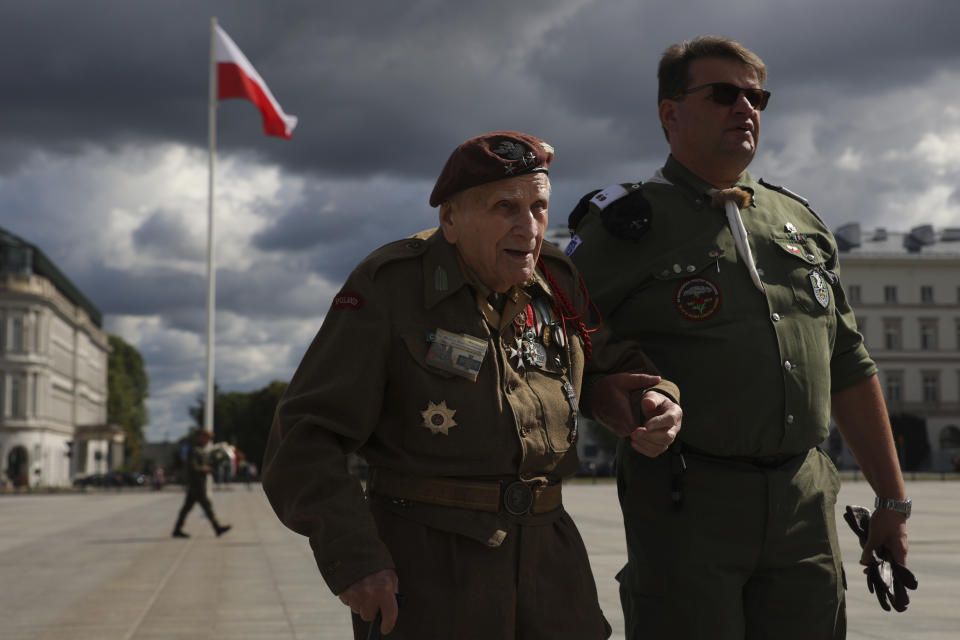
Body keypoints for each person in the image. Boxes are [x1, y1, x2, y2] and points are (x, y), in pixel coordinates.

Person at [261, 131, 682, 639]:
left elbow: (608, 364)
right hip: (433, 573)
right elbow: (305, 435)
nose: (529, 227)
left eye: (539, 205)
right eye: (506, 206)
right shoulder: (391, 285)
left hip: (551, 569)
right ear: (451, 220)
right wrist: (354, 557)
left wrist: (651, 399)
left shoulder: (556, 281)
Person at [567, 36, 911, 639]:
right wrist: (611, 397)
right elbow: (564, 336)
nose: (745, 108)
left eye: (757, 97)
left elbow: (848, 362)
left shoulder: (797, 221)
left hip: (805, 500)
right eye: (724, 94)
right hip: (688, 501)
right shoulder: (625, 225)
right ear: (669, 113)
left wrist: (891, 501)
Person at [171, 429, 232, 538]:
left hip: (198, 484)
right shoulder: (195, 450)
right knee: (207, 506)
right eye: (208, 438)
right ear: (202, 437)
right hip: (197, 485)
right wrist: (205, 469)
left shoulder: (200, 450)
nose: (209, 441)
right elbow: (193, 467)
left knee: (187, 508)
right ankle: (217, 528)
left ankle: (177, 529)